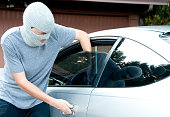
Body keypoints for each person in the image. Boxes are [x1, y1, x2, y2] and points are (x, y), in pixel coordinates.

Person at [0, 2, 91, 117]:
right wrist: (55, 102)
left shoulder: (55, 32)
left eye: (47, 33)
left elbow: (83, 35)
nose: (45, 37)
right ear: (29, 26)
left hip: (37, 101)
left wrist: (90, 64)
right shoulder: (10, 40)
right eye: (42, 33)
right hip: (10, 100)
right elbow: (22, 82)